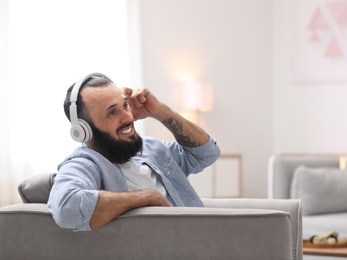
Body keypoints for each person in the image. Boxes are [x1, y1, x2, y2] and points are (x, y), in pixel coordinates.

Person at [48, 73, 220, 232]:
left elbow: (207, 153)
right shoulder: (84, 163)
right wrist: (145, 197)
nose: (128, 117)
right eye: (112, 112)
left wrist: (160, 111)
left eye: (125, 105)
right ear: (84, 130)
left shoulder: (150, 148)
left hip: (201, 242)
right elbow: (67, 209)